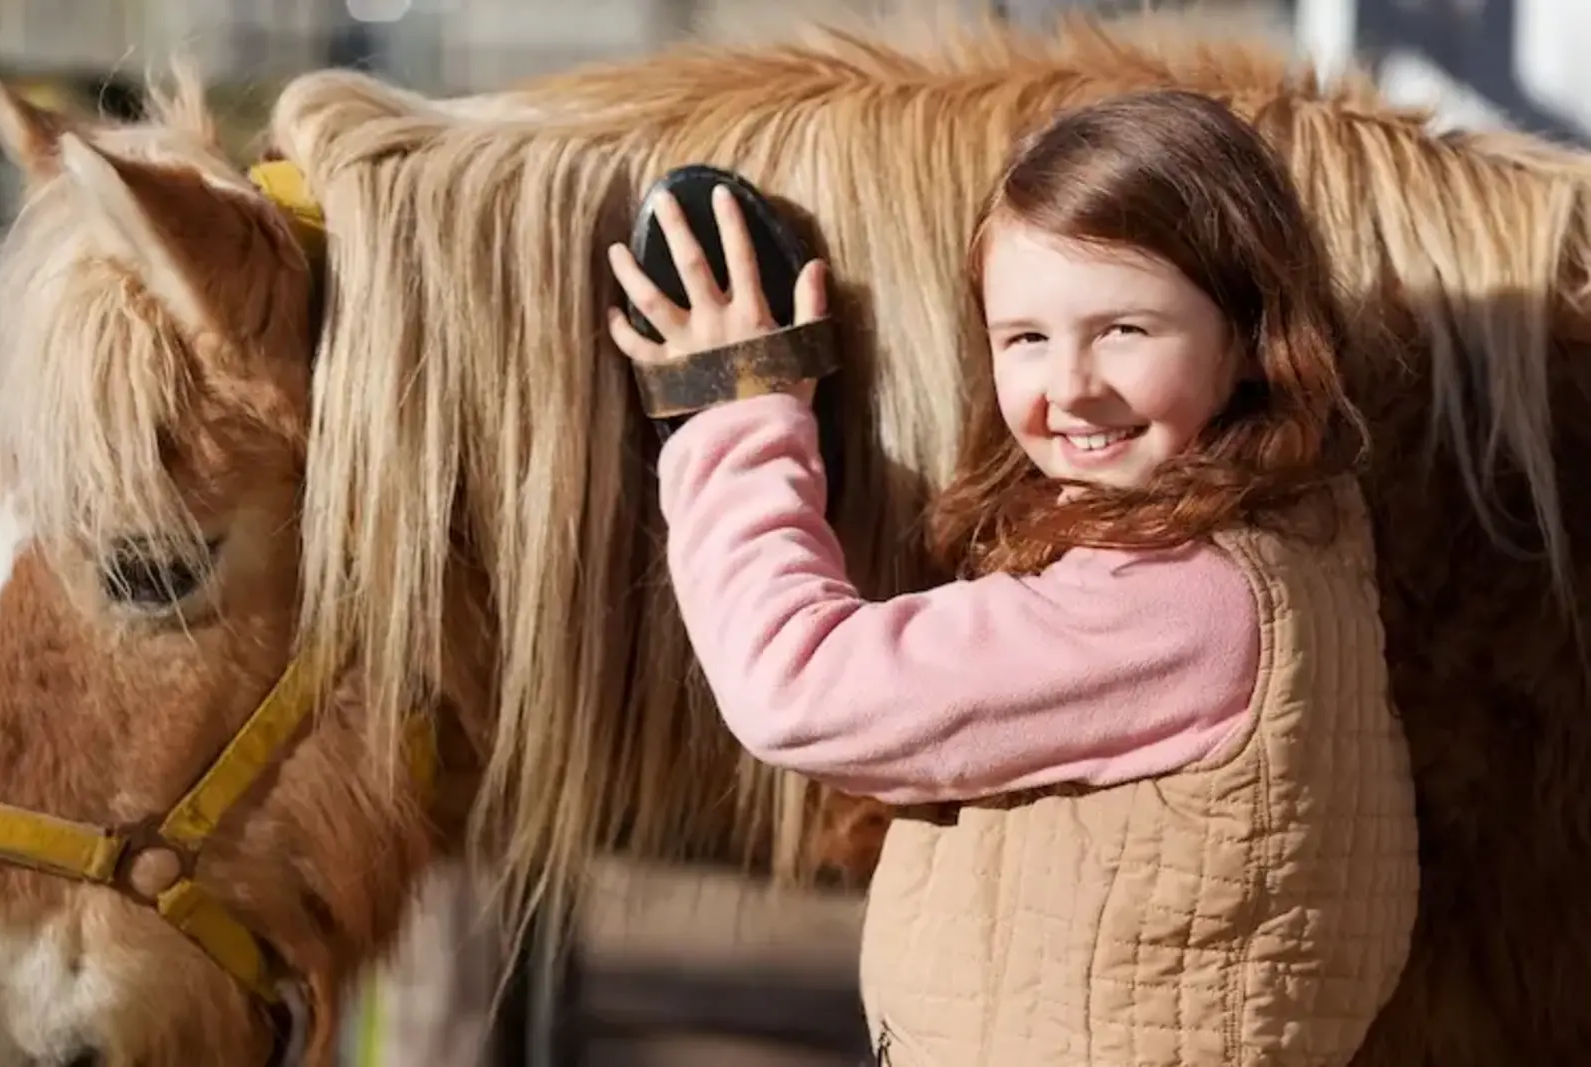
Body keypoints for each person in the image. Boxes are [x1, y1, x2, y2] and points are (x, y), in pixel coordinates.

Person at [605, 89, 1420, 1067]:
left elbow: (796, 687)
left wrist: (734, 416)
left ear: (1247, 334)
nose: (1070, 383)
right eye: (1025, 337)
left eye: (1125, 328)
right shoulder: (1307, 521)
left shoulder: (1178, 604)